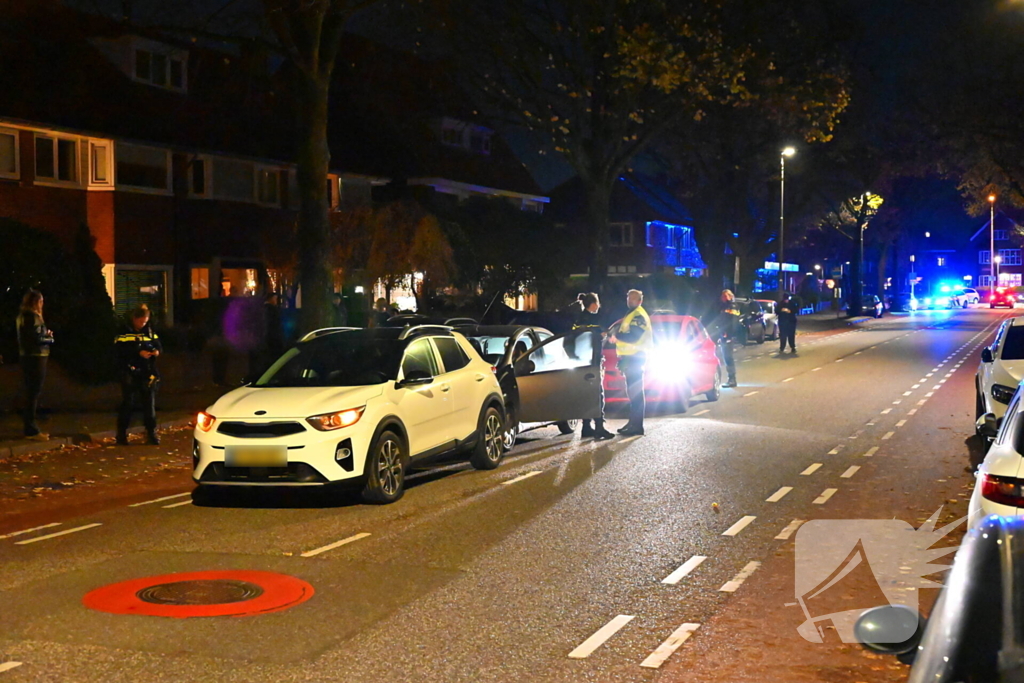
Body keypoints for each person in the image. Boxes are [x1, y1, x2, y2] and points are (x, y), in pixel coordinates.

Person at [115, 305, 162, 446]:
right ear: (134, 319)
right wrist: (137, 353)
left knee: (149, 404)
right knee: (128, 403)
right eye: (141, 321)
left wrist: (155, 352)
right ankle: (121, 434)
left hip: (147, 372)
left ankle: (151, 433)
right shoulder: (124, 332)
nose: (143, 324)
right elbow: (119, 351)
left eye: (145, 321)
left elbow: (158, 345)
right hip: (130, 372)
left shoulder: (149, 331)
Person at [571, 293, 614, 440]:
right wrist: (603, 335)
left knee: (586, 394)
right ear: (594, 304)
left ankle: (586, 427)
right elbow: (594, 338)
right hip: (593, 362)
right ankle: (599, 428)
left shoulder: (578, 319)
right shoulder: (594, 320)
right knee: (598, 394)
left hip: (582, 363)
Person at [16, 289, 54, 441]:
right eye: (41, 301)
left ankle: (30, 426)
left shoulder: (22, 316)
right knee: (33, 392)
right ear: (36, 302)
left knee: (31, 392)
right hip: (36, 357)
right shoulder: (33, 317)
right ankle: (30, 429)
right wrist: (49, 338)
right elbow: (36, 338)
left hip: (27, 356)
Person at [615, 289, 652, 436]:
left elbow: (633, 337)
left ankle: (637, 426)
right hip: (630, 357)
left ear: (640, 301)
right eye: (628, 298)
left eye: (633, 299)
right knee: (632, 392)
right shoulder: (632, 313)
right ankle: (633, 423)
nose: (629, 301)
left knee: (636, 393)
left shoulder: (638, 315)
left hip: (636, 357)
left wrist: (615, 336)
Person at [712, 289, 741, 388]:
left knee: (728, 357)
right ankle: (731, 379)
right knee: (726, 357)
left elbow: (733, 322)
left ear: (729, 296)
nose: (723, 298)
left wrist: (728, 335)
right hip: (725, 335)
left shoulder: (732, 306)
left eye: (725, 296)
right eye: (722, 296)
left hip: (728, 335)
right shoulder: (725, 306)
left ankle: (732, 379)